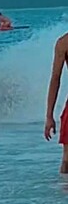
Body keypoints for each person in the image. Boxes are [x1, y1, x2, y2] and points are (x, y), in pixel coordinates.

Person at [44, 33, 68, 173]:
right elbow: (55, 79)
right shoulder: (64, 43)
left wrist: (49, 116)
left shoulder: (63, 42)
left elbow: (55, 79)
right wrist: (49, 116)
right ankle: (64, 190)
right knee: (67, 161)